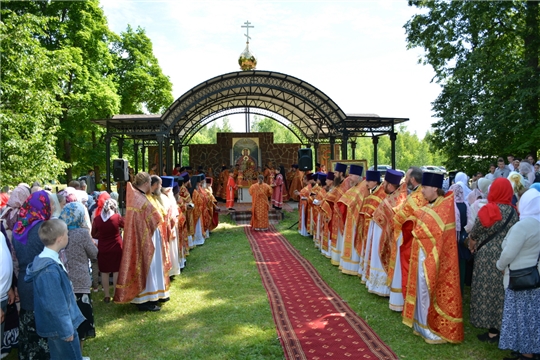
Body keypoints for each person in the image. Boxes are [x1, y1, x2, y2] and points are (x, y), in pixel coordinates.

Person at [402, 172, 464, 344]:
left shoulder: (445, 206)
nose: (421, 192)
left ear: (435, 188)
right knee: (421, 288)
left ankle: (430, 327)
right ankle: (421, 324)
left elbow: (434, 231)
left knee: (426, 288)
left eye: (425, 188)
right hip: (422, 254)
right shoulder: (432, 205)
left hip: (436, 258)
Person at [24, 219, 86, 360]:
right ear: (60, 239)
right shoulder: (48, 271)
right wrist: (66, 330)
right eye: (66, 234)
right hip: (61, 328)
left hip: (59, 325)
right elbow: (55, 304)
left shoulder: (48, 260)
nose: (68, 237)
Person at [467, 177, 518, 343]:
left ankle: (490, 330)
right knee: (500, 292)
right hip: (505, 255)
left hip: (485, 256)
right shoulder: (513, 212)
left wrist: (472, 245)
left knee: (485, 291)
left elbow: (475, 232)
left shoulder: (488, 209)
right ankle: (500, 326)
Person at [114, 172, 169, 312]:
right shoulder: (139, 199)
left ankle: (155, 294)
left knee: (152, 266)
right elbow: (154, 217)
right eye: (149, 183)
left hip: (147, 235)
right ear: (145, 184)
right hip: (146, 238)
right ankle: (145, 300)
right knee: (148, 266)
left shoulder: (137, 196)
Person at [496, 189, 540, 360]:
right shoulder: (537, 223)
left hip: (519, 276)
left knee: (521, 318)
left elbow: (509, 252)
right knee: (532, 317)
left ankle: (525, 354)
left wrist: (499, 265)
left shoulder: (522, 226)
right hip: (534, 276)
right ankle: (531, 349)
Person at [12, 190, 55, 358]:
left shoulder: (19, 228)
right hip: (43, 280)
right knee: (46, 326)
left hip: (24, 281)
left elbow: (15, 261)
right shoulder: (44, 229)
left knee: (28, 324)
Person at [59, 202, 98, 354]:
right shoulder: (82, 233)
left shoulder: (60, 233)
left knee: (68, 317)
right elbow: (94, 253)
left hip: (64, 280)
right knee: (80, 318)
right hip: (80, 280)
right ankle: (78, 353)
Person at [388, 166, 427, 312]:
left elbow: (401, 217)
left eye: (407, 177)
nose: (405, 181)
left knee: (404, 268)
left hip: (408, 236)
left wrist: (394, 215)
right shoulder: (418, 193)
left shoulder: (417, 196)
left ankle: (401, 300)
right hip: (412, 235)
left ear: (412, 179)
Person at [364, 169, 407, 296]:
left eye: (385, 183)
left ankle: (382, 287)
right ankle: (376, 284)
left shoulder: (396, 199)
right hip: (379, 231)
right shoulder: (393, 196)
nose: (382, 186)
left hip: (383, 233)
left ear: (389, 185)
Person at [336, 164, 367, 275]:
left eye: (352, 175)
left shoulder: (363, 186)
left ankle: (353, 265)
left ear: (358, 175)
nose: (349, 177)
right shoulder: (356, 185)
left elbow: (357, 201)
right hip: (351, 217)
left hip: (356, 218)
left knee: (354, 239)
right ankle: (347, 264)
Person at [91, 198, 124, 303]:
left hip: (103, 247)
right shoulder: (117, 217)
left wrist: (101, 236)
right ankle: (115, 293)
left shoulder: (97, 219)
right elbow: (126, 225)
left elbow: (93, 234)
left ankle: (106, 295)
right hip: (116, 246)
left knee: (104, 272)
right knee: (116, 271)